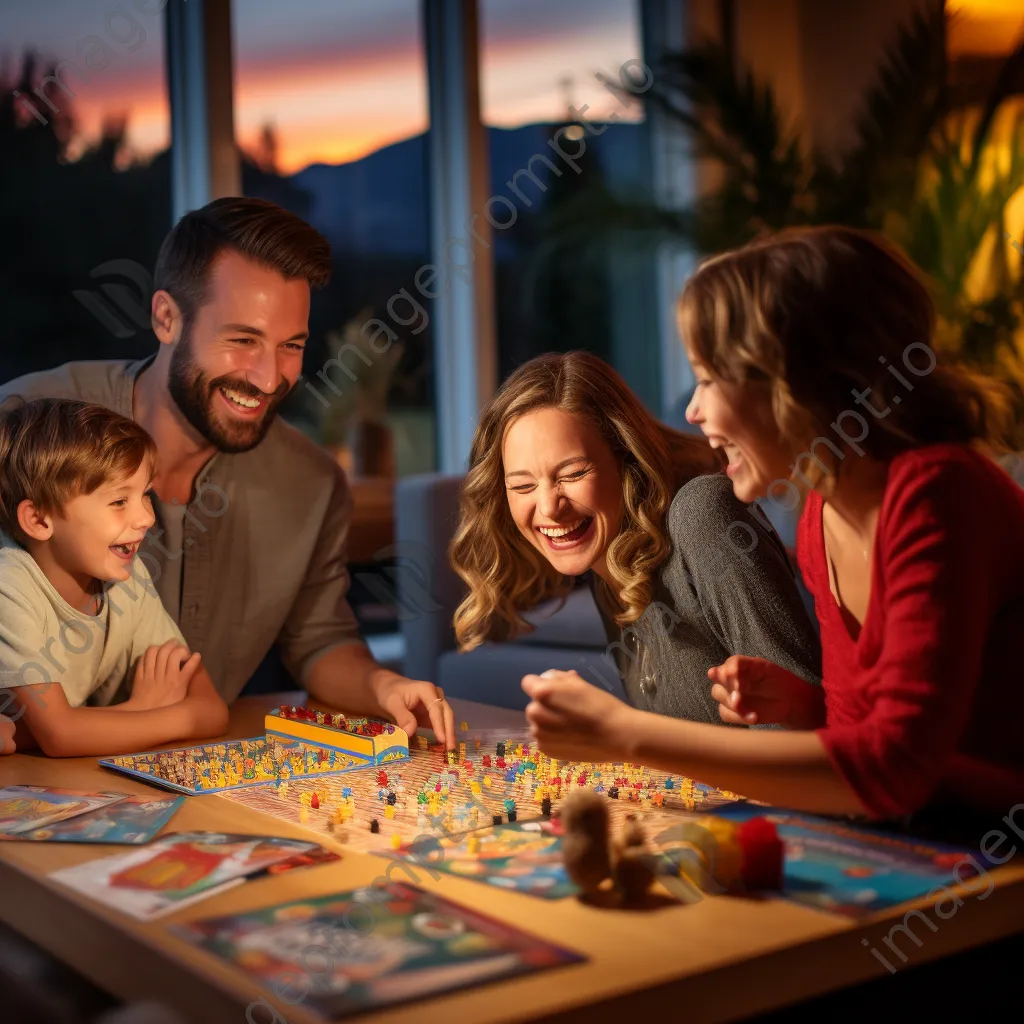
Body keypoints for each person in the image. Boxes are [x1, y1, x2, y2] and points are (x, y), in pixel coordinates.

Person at [522, 226, 1024, 830]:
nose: (692, 411)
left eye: (709, 378)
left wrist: (626, 734)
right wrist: (802, 706)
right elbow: (861, 736)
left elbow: (898, 767)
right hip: (914, 844)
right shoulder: (824, 511)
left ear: (792, 383)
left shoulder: (938, 494)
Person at [0, 197, 455, 748]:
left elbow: (319, 642)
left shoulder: (312, 486)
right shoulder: (24, 426)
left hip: (182, 775)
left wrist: (383, 686)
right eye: (243, 340)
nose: (268, 378)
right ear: (166, 318)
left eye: (291, 346)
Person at [450, 351, 820, 724]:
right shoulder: (607, 559)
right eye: (523, 485)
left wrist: (622, 731)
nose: (548, 508)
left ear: (627, 459)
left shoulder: (703, 513)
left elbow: (800, 726)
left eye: (573, 474)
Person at [0, 399, 229, 756]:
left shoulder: (127, 576)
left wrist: (41, 733)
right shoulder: (9, 584)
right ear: (40, 520)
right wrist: (145, 711)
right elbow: (62, 737)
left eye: (145, 495)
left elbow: (212, 708)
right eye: (119, 501)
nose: (147, 519)